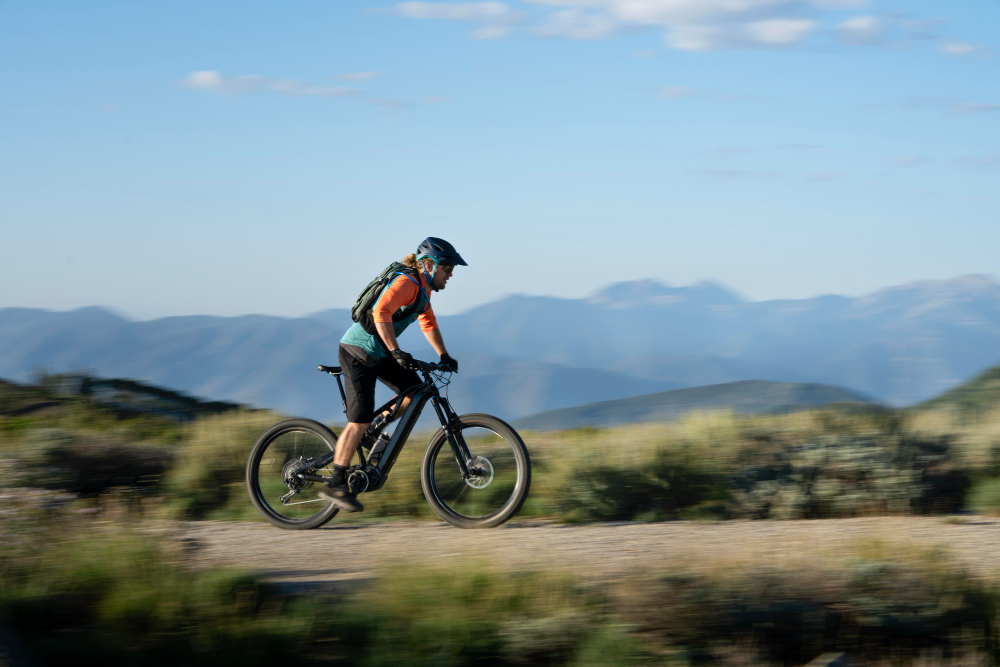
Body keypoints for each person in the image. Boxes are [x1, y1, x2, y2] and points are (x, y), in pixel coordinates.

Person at [318, 237, 466, 511]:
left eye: (452, 268)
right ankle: (336, 483)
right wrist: (396, 350)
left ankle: (375, 428)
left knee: (414, 393)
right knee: (359, 419)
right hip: (357, 352)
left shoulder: (423, 290)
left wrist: (443, 355)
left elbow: (428, 323)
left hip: (381, 353)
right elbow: (380, 311)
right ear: (427, 264)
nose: (450, 273)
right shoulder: (407, 283)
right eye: (447, 267)